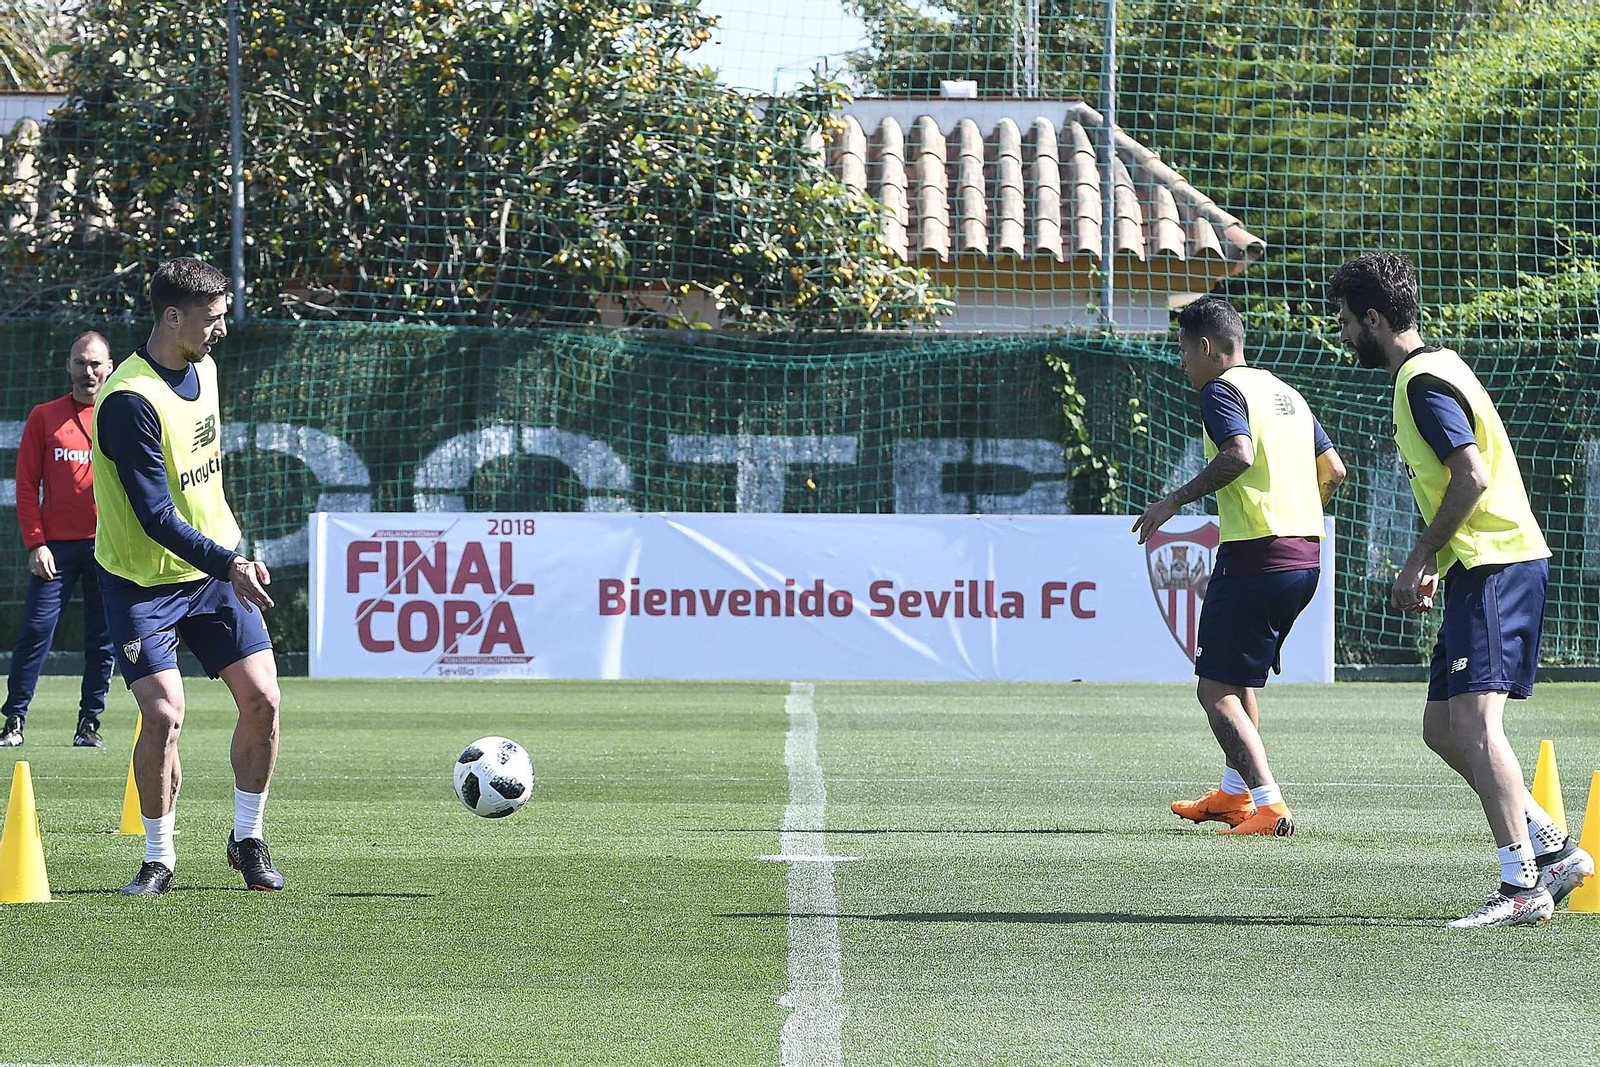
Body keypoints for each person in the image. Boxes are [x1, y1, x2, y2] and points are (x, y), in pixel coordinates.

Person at [1327, 251, 1593, 928]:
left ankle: (1522, 884)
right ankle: (1553, 850)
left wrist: (1420, 553)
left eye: (1347, 319)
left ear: (1375, 319)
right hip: (1481, 564)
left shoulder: (1421, 380)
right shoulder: (1436, 366)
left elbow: (1470, 476)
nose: (1342, 331)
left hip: (1496, 562)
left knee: (1476, 724)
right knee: (1442, 727)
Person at [92, 258, 285, 896]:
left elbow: (202, 489)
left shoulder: (204, 366)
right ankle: (158, 857)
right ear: (172, 317)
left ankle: (248, 838)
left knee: (263, 702)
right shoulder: (127, 401)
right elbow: (154, 516)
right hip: (143, 582)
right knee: (164, 714)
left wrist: (231, 555)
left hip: (211, 569)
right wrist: (228, 562)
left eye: (223, 314)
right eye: (213, 317)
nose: (222, 327)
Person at [1134, 297, 1346, 837]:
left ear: (1206, 347)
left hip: (1256, 555)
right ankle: (1233, 796)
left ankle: (1268, 803)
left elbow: (1239, 454)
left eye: (1184, 351)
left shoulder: (1220, 390)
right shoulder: (1286, 394)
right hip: (1306, 557)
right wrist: (1297, 513)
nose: (1183, 363)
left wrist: (1173, 501)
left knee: (1214, 690)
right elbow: (1335, 471)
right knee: (1239, 679)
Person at [2, 333, 117, 748]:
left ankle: (89, 725)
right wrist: (36, 543)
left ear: (110, 366)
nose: (89, 372)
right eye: (81, 363)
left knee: (103, 639)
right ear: (68, 366)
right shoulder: (44, 417)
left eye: (96, 363)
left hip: (109, 548)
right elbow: (26, 484)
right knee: (36, 631)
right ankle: (14, 720)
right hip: (56, 549)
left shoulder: (121, 413)